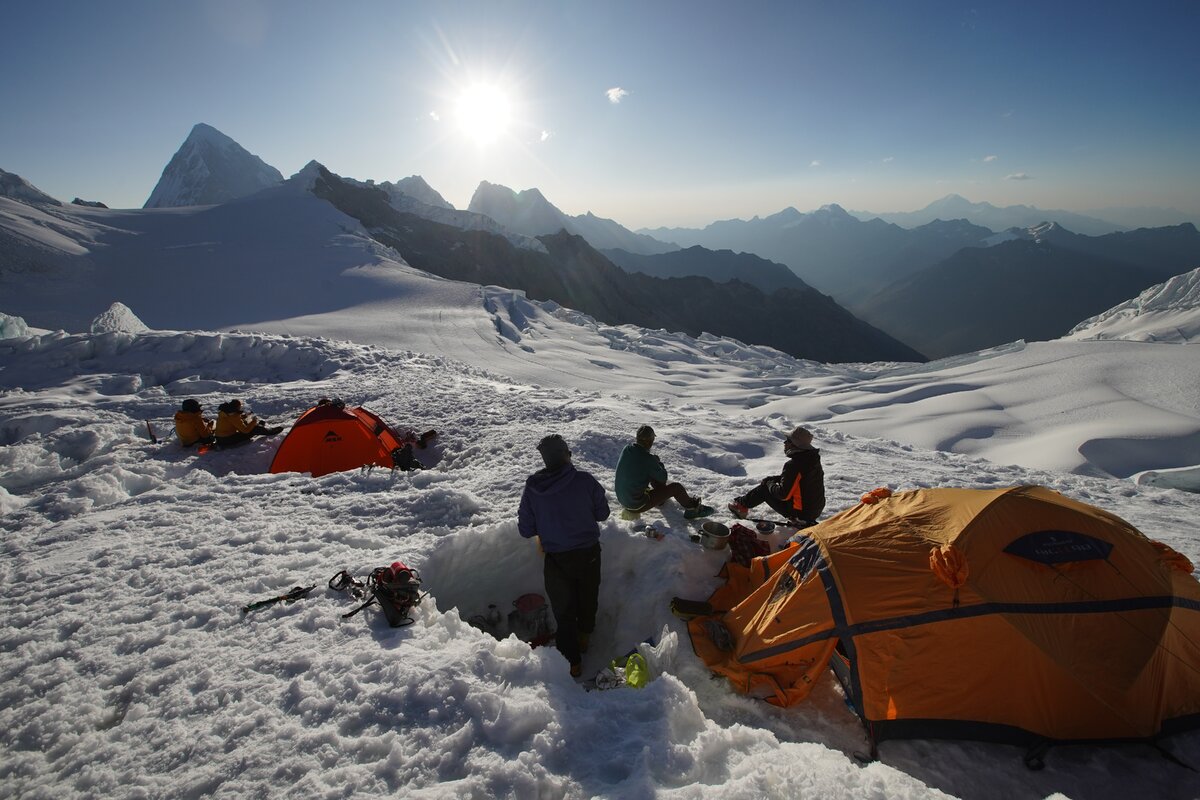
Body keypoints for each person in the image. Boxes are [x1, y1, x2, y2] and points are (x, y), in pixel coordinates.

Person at [517, 434, 610, 678]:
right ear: (566, 455)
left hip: (556, 559)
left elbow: (526, 529)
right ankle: (584, 637)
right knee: (588, 597)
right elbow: (603, 513)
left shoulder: (533, 488)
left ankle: (572, 663)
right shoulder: (585, 481)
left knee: (564, 610)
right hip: (588, 554)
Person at [729, 426, 826, 526]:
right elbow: (801, 481)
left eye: (788, 440)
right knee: (768, 484)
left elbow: (783, 495)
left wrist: (769, 484)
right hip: (814, 511)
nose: (784, 443)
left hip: (801, 513)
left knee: (764, 489)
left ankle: (740, 507)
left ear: (794, 445)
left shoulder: (793, 465)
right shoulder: (812, 459)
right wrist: (774, 479)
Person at [614, 425, 713, 520]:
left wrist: (653, 461)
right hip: (636, 504)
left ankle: (660, 500)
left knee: (651, 471)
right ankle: (693, 509)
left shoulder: (627, 448)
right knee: (676, 488)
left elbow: (638, 464)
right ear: (650, 442)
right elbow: (663, 477)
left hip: (623, 499)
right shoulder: (648, 459)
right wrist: (658, 463)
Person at [214, 399, 283, 448]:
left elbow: (233, 422)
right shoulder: (233, 416)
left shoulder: (225, 412)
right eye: (240, 406)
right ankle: (269, 432)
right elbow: (245, 430)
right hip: (227, 439)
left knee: (248, 425)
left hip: (220, 438)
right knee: (254, 429)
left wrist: (242, 417)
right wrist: (254, 421)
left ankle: (260, 426)